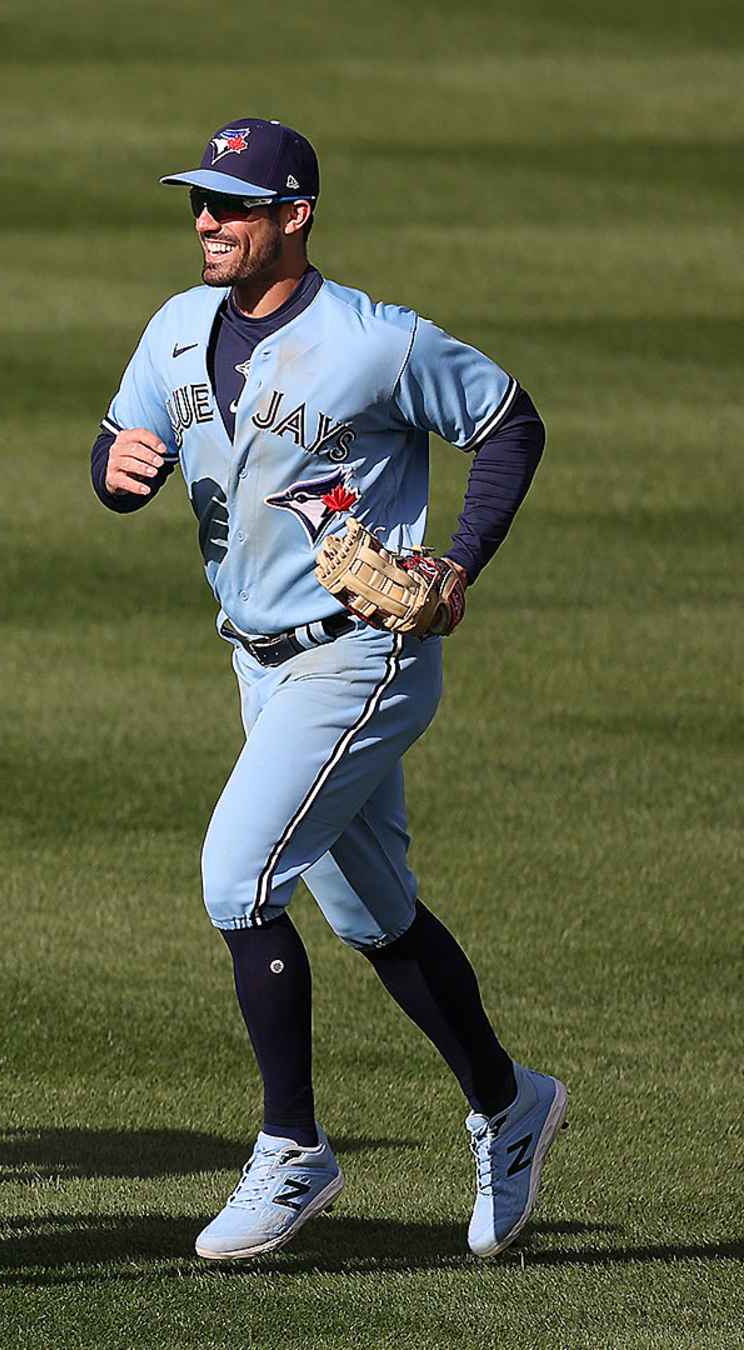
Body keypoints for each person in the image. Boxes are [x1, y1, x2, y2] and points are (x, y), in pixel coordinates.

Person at [91, 119, 564, 1260]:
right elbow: (121, 449)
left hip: (363, 653)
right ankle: (511, 1104)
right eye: (201, 203)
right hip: (254, 655)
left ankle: (292, 1149)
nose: (208, 222)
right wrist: (114, 474)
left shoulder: (373, 342)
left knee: (236, 877)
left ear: (293, 217)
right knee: (371, 910)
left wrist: (454, 563)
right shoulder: (173, 328)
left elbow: (508, 423)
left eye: (234, 206)